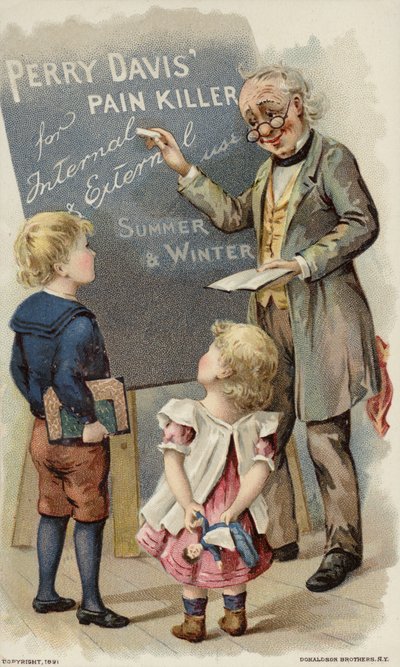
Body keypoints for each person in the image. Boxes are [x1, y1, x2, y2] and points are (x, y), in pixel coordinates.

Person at [142, 63, 381, 592]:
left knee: (324, 435)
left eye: (270, 114)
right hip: (269, 319)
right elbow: (232, 217)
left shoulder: (332, 157)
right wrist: (184, 169)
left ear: (297, 103)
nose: (264, 130)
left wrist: (302, 263)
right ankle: (280, 536)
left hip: (322, 319)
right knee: (265, 430)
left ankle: (343, 547)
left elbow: (362, 223)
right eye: (253, 122)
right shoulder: (266, 168)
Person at [9, 211, 129, 628]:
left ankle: (45, 593)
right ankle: (92, 604)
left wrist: (40, 409)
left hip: (43, 435)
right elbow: (67, 378)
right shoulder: (78, 324)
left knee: (51, 509)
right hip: (80, 442)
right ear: (61, 265)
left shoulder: (28, 312)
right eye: (84, 248)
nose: (93, 253)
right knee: (89, 516)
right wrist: (89, 421)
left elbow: (18, 371)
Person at [137, 320, 279, 642]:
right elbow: (173, 463)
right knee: (219, 557)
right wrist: (190, 503)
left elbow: (260, 469)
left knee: (210, 559)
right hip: (210, 508)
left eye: (210, 352)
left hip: (210, 508)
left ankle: (203, 621)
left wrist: (206, 504)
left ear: (225, 371)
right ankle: (227, 618)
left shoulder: (252, 423)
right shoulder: (191, 414)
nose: (202, 355)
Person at [183, 511, 260, 571]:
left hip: (231, 531)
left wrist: (198, 515)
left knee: (247, 547)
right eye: (194, 554)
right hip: (233, 532)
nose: (194, 551)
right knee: (248, 543)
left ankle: (253, 563)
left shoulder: (204, 537)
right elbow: (215, 551)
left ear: (191, 545)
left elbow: (205, 523)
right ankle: (255, 561)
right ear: (198, 557)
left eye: (191, 550)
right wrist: (218, 560)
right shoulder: (207, 546)